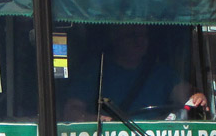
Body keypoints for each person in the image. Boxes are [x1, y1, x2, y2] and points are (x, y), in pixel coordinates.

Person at [64, 24, 206, 121]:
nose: (139, 41)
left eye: (143, 35)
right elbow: (72, 112)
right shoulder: (94, 71)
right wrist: (100, 120)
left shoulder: (160, 73)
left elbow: (188, 95)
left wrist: (198, 97)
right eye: (132, 35)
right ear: (115, 38)